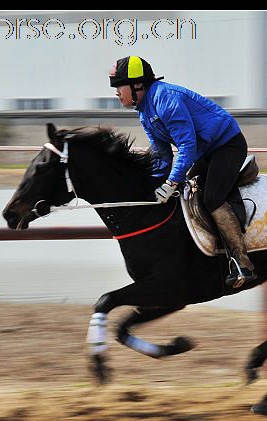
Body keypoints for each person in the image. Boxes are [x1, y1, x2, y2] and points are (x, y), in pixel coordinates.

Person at [109, 55, 257, 288]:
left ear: (138, 84)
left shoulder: (165, 99)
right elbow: (162, 153)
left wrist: (170, 183)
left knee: (212, 198)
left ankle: (241, 263)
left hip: (227, 145)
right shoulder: (144, 110)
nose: (116, 92)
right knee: (187, 194)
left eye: (119, 86)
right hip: (204, 152)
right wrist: (155, 184)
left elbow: (186, 145)